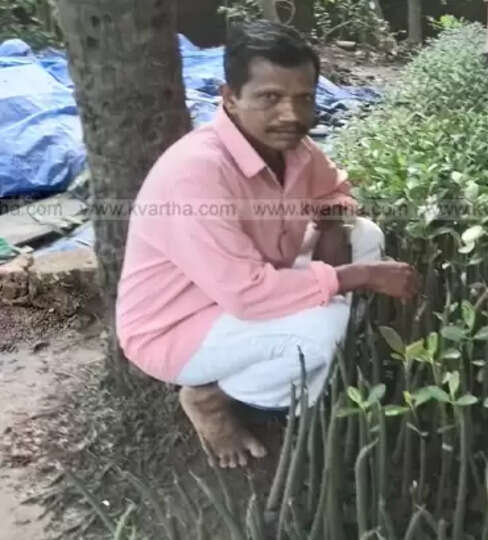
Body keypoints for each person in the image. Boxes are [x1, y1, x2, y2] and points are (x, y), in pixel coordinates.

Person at [115, 20, 419, 468]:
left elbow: (333, 191)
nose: (292, 115)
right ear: (230, 97)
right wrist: (356, 277)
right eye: (270, 98)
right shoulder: (196, 172)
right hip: (179, 324)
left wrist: (333, 228)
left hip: (253, 282)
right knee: (321, 337)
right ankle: (210, 399)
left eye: (304, 98)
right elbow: (246, 293)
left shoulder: (294, 148)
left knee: (364, 235)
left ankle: (298, 357)